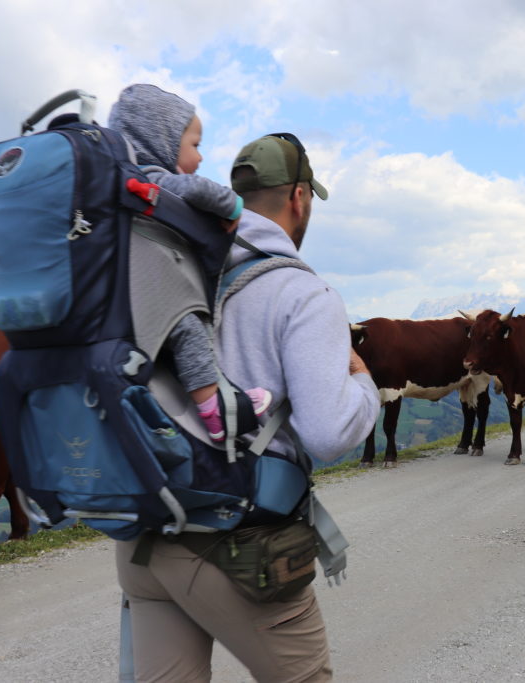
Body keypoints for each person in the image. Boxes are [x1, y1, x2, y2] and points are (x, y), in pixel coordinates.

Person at [115, 133, 380, 682]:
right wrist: (365, 386)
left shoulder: (168, 265)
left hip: (147, 543)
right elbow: (328, 434)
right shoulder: (302, 293)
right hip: (237, 550)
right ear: (299, 198)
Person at [108, 83, 270, 441]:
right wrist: (234, 205)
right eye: (194, 145)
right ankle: (215, 410)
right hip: (149, 300)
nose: (199, 158)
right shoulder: (150, 177)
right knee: (189, 326)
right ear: (159, 141)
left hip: (115, 303)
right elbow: (196, 189)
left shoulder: (111, 185)